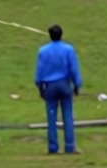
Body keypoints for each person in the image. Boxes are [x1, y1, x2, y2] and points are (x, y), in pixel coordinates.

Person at [35, 24, 83, 154]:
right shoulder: (68, 49)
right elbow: (73, 69)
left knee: (51, 116)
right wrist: (77, 85)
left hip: (50, 86)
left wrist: (40, 89)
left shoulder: (43, 51)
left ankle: (52, 146)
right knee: (67, 115)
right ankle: (70, 146)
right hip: (64, 84)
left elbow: (39, 72)